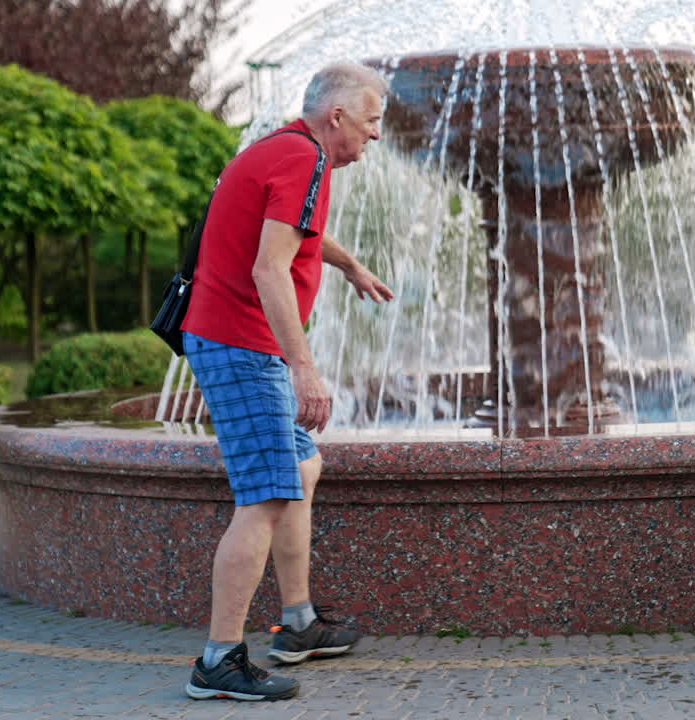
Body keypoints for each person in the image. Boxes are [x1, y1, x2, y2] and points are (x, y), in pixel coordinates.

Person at [179, 61, 394, 701]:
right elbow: (270, 269)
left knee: (300, 467)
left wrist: (350, 264)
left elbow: (294, 234)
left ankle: (296, 623)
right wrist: (304, 370)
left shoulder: (285, 147)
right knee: (266, 497)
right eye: (372, 120)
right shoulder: (306, 161)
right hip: (242, 345)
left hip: (232, 339)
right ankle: (218, 660)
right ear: (338, 118)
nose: (375, 136)